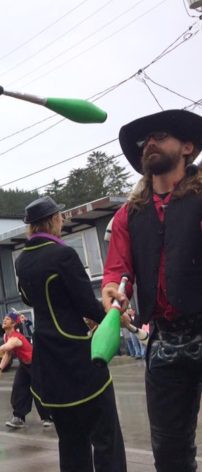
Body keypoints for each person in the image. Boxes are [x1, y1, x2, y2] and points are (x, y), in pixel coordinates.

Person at [103, 109, 202, 472]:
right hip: (163, 341)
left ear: (187, 147)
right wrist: (113, 289)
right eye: (146, 141)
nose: (150, 143)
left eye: (161, 135)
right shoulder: (129, 214)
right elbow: (117, 269)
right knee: (171, 456)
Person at [15, 196, 126, 471]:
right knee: (106, 438)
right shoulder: (63, 254)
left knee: (71, 443)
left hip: (48, 364)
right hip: (79, 358)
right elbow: (87, 305)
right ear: (54, 220)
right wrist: (115, 314)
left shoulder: (21, 261)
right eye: (60, 217)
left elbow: (29, 300)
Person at [0, 313, 52, 429]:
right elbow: (8, 354)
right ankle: (18, 417)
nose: (4, 320)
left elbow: (6, 348)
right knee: (18, 388)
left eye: (7, 319)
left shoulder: (16, 338)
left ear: (13, 324)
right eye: (4, 318)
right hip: (24, 364)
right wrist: (0, 368)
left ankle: (49, 416)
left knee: (38, 390)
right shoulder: (6, 336)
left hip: (35, 364)